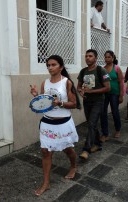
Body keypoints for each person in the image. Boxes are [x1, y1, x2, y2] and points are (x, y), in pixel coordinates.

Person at [30, 55, 80, 196]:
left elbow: (74, 104)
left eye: (53, 64)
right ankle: (46, 183)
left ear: (61, 67)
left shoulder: (66, 82)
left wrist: (60, 103)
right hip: (47, 122)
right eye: (48, 65)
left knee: (68, 149)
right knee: (45, 152)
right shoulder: (44, 83)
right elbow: (43, 104)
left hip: (63, 123)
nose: (50, 67)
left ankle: (73, 166)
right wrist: (35, 96)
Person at [77, 49, 110, 160]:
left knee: (91, 124)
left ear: (95, 58)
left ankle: (86, 149)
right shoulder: (83, 71)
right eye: (86, 56)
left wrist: (91, 91)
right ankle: (98, 145)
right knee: (92, 124)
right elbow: (78, 86)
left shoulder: (101, 70)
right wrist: (81, 91)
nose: (87, 58)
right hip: (87, 101)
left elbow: (107, 88)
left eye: (90, 56)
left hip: (98, 101)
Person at [100, 50, 124, 141]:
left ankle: (118, 129)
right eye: (105, 57)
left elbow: (121, 82)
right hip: (105, 94)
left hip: (115, 94)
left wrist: (121, 95)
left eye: (109, 57)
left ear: (113, 58)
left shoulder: (117, 68)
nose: (107, 59)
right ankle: (105, 133)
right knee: (103, 113)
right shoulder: (103, 69)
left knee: (115, 112)